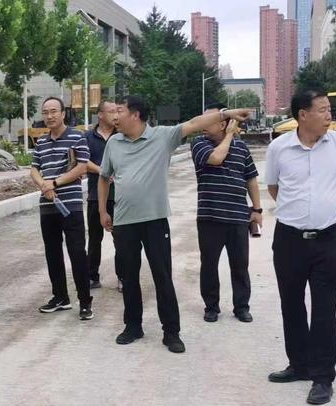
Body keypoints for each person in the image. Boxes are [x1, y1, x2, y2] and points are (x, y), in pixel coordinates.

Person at [98, 95, 252, 353]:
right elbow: (104, 177)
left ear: (135, 115)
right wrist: (103, 210)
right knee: (129, 277)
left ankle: (171, 332)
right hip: (124, 222)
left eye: (119, 111)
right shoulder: (114, 142)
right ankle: (132, 326)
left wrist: (227, 113)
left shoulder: (162, 136)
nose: (115, 116)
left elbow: (194, 123)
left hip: (155, 221)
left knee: (163, 277)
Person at [265, 89, 336, 405]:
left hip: (327, 241)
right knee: (291, 305)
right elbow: (274, 187)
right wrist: (299, 212)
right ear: (303, 115)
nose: (329, 115)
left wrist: (322, 207)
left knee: (324, 310)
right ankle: (299, 365)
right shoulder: (278, 148)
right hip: (289, 241)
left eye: (329, 109)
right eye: (323, 110)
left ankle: (323, 377)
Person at [190, 102, 262, 323]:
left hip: (238, 216)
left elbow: (251, 179)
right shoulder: (199, 143)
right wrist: (230, 135)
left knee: (240, 265)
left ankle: (241, 307)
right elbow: (216, 158)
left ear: (222, 123)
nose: (203, 123)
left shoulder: (242, 148)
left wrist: (257, 209)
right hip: (210, 216)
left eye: (209, 119)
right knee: (209, 265)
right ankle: (211, 306)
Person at [30, 96, 93, 321]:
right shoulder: (41, 142)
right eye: (45, 112)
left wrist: (54, 183)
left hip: (70, 205)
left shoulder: (77, 136)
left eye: (53, 111)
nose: (49, 116)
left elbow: (82, 167)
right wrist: (43, 185)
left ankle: (85, 301)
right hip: (47, 206)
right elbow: (34, 169)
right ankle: (60, 297)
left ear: (63, 113)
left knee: (77, 253)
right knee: (52, 253)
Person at [85, 100, 121, 291]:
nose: (116, 115)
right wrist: (103, 171)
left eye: (117, 111)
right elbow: (83, 161)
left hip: (120, 196)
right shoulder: (88, 137)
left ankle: (123, 277)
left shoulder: (122, 135)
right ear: (100, 114)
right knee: (94, 239)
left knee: (121, 239)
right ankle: (92, 277)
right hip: (95, 196)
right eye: (111, 111)